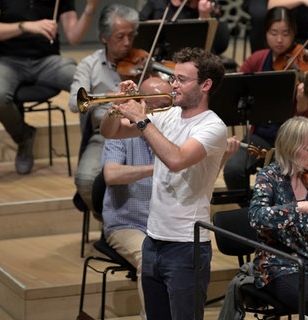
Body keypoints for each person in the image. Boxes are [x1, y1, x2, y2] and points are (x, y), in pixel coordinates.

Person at [100, 47, 227, 320]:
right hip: (153, 239)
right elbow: (112, 132)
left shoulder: (212, 127)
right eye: (174, 78)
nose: (174, 85)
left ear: (206, 85)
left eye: (182, 79)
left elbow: (176, 159)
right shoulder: (168, 115)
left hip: (187, 246)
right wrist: (116, 107)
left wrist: (142, 118)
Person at [0, 0, 99, 175]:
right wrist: (26, 26)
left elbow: (74, 37)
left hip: (46, 61)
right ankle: (24, 137)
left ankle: (90, 155)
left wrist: (90, 8)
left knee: (87, 91)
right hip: (5, 61)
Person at [249, 116, 308, 319]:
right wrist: (298, 208)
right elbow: (256, 216)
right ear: (290, 148)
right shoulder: (269, 177)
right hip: (281, 265)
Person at [100, 76, 172, 320]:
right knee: (147, 257)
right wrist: (156, 168)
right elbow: (110, 175)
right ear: (141, 104)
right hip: (127, 223)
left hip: (164, 223)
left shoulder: (174, 131)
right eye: (155, 106)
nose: (161, 112)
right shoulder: (123, 133)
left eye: (167, 106)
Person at [222, 6, 308, 196]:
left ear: (294, 33)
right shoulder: (258, 59)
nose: (279, 40)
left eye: (285, 33)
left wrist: (303, 102)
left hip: (293, 141)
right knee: (233, 169)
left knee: (287, 181)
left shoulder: (303, 59)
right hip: (261, 137)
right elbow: (237, 83)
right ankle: (252, 211)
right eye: (274, 33)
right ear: (265, 33)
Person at [69, 4, 148, 218]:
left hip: (142, 132)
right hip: (104, 134)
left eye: (131, 36)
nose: (127, 43)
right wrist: (110, 97)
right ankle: (109, 221)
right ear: (104, 37)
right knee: (85, 180)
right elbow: (74, 102)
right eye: (120, 37)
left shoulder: (143, 60)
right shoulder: (89, 64)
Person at [139, 0, 230, 56]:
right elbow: (140, 24)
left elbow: (214, 45)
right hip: (155, 54)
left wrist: (204, 15)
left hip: (190, 58)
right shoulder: (158, 2)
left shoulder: (202, 6)